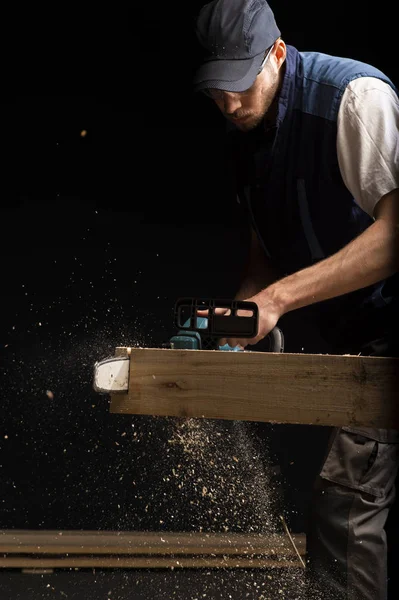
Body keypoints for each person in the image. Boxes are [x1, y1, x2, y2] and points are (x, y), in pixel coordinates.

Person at [192, 1, 399, 598]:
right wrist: (228, 334)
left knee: (346, 504)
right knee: (346, 500)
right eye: (215, 90)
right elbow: (264, 257)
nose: (228, 104)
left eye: (238, 84)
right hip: (358, 340)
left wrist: (278, 300)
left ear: (277, 53)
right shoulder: (247, 133)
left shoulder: (354, 99)